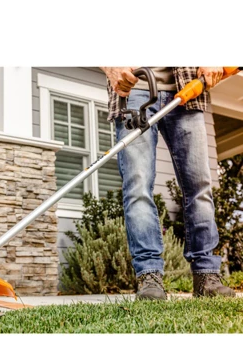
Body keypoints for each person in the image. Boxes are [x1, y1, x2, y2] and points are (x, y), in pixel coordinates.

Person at [99, 67, 236, 300]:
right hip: (134, 89)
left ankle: (206, 275)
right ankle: (149, 276)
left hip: (188, 87)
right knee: (138, 187)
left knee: (199, 186)